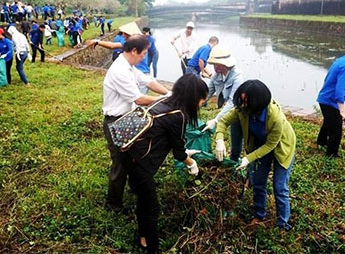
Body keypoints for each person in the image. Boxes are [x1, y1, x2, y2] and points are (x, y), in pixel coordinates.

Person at [120, 74, 205, 253]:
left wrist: (183, 152)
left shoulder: (164, 101)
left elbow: (171, 140)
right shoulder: (179, 115)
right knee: (152, 207)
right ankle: (152, 248)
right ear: (193, 97)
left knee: (143, 199)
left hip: (128, 154)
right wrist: (191, 164)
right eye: (202, 99)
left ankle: (143, 237)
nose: (203, 103)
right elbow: (179, 153)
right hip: (140, 162)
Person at [215, 80, 296, 231]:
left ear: (257, 103)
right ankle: (259, 215)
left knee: (280, 187)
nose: (243, 104)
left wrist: (248, 158)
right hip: (259, 145)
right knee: (258, 183)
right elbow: (223, 122)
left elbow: (271, 145)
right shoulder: (242, 109)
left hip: (281, 147)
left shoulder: (275, 117)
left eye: (246, 101)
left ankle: (283, 224)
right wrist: (219, 139)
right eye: (242, 100)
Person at [102, 33, 170, 212]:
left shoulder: (130, 67)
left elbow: (148, 81)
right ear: (133, 50)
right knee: (120, 163)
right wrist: (165, 101)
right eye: (143, 54)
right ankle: (113, 204)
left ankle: (133, 188)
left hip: (128, 118)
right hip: (115, 122)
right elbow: (139, 98)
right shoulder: (119, 71)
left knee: (133, 156)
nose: (144, 57)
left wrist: (168, 93)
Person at [202, 45, 245, 161]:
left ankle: (237, 160)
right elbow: (208, 92)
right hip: (229, 110)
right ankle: (233, 159)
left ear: (226, 64)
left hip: (241, 111)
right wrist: (195, 104)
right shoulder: (216, 76)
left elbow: (233, 102)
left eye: (218, 65)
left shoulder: (237, 78)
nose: (215, 68)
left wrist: (216, 120)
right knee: (231, 132)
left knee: (239, 136)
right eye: (214, 65)